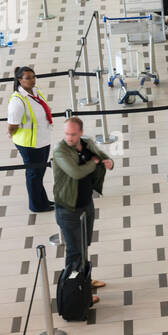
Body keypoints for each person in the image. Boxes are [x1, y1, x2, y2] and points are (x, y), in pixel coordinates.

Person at [52, 117, 113, 304]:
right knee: (74, 251)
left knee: (84, 245)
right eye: (66, 134)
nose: (69, 137)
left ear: (80, 133)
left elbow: (100, 155)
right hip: (68, 209)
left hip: (86, 204)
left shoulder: (86, 143)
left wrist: (107, 160)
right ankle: (77, 293)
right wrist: (94, 163)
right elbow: (76, 172)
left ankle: (84, 279)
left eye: (73, 134)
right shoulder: (60, 151)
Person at [7, 66, 53, 213]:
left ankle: (43, 200)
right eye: (28, 78)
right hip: (30, 143)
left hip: (42, 139)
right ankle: (37, 205)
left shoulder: (34, 91)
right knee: (34, 175)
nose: (32, 80)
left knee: (39, 174)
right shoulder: (18, 100)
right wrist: (11, 134)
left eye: (33, 77)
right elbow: (12, 125)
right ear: (20, 80)